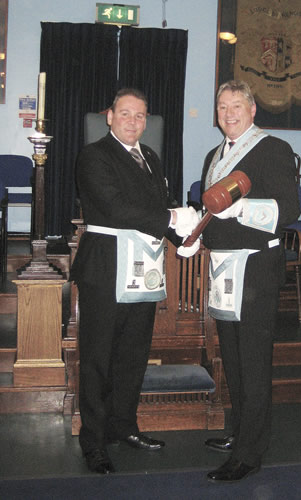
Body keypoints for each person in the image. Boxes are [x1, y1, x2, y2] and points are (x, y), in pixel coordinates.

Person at [70, 88, 199, 474]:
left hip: (143, 267)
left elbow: (158, 206)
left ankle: (124, 425)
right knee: (97, 358)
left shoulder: (151, 158)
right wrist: (172, 221)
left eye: (140, 115)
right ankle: (93, 440)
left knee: (132, 355)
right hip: (106, 267)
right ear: (109, 116)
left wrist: (186, 237)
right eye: (125, 113)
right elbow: (115, 207)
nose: (133, 121)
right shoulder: (94, 156)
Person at [181, 80, 299, 482]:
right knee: (232, 358)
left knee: (253, 362)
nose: (228, 114)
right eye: (221, 107)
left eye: (236, 106)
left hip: (256, 269)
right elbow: (212, 211)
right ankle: (239, 431)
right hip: (223, 268)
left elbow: (290, 208)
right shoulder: (215, 155)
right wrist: (192, 233)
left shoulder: (273, 149)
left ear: (252, 111)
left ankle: (250, 453)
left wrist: (243, 209)